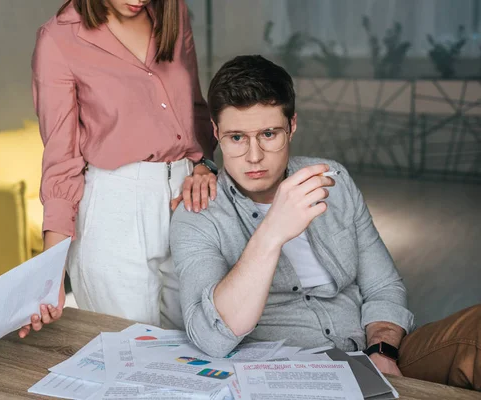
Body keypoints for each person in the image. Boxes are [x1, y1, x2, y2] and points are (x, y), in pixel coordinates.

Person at [170, 55, 481, 391]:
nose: (254, 156)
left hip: (372, 352)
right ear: (215, 133)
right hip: (284, 374)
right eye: (236, 138)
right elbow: (211, 336)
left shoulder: (334, 180)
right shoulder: (199, 211)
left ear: (292, 126)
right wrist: (272, 232)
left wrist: (382, 350)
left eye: (269, 133)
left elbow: (383, 286)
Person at [19, 0, 218, 339]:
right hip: (115, 212)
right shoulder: (59, 39)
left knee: (199, 346)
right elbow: (60, 163)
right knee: (132, 358)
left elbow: (194, 107)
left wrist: (203, 164)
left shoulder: (172, 12)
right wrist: (50, 273)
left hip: (186, 205)